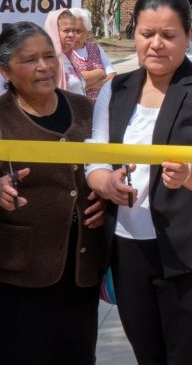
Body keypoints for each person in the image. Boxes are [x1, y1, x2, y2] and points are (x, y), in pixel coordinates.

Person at [86, 0, 192, 365]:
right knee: (148, 355)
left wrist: (189, 174)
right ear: (134, 34)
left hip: (190, 250)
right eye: (147, 34)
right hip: (128, 248)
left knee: (187, 357)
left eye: (169, 35)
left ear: (189, 36)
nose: (156, 44)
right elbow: (94, 156)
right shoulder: (116, 88)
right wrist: (105, 183)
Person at [0, 21, 106, 364]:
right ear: (6, 71)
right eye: (29, 60)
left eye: (49, 56)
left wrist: (106, 197)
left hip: (80, 269)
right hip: (18, 273)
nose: (43, 66)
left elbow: (107, 170)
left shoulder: (86, 110)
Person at [70, 7, 117, 100]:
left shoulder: (96, 49)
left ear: (88, 33)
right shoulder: (64, 53)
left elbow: (112, 76)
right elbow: (75, 81)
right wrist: (100, 72)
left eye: (78, 31)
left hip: (100, 105)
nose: (72, 35)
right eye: (70, 30)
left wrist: (94, 84)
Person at [43, 8, 86, 95]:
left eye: (74, 30)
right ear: (53, 32)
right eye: (66, 30)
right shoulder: (48, 61)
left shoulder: (68, 57)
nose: (71, 35)